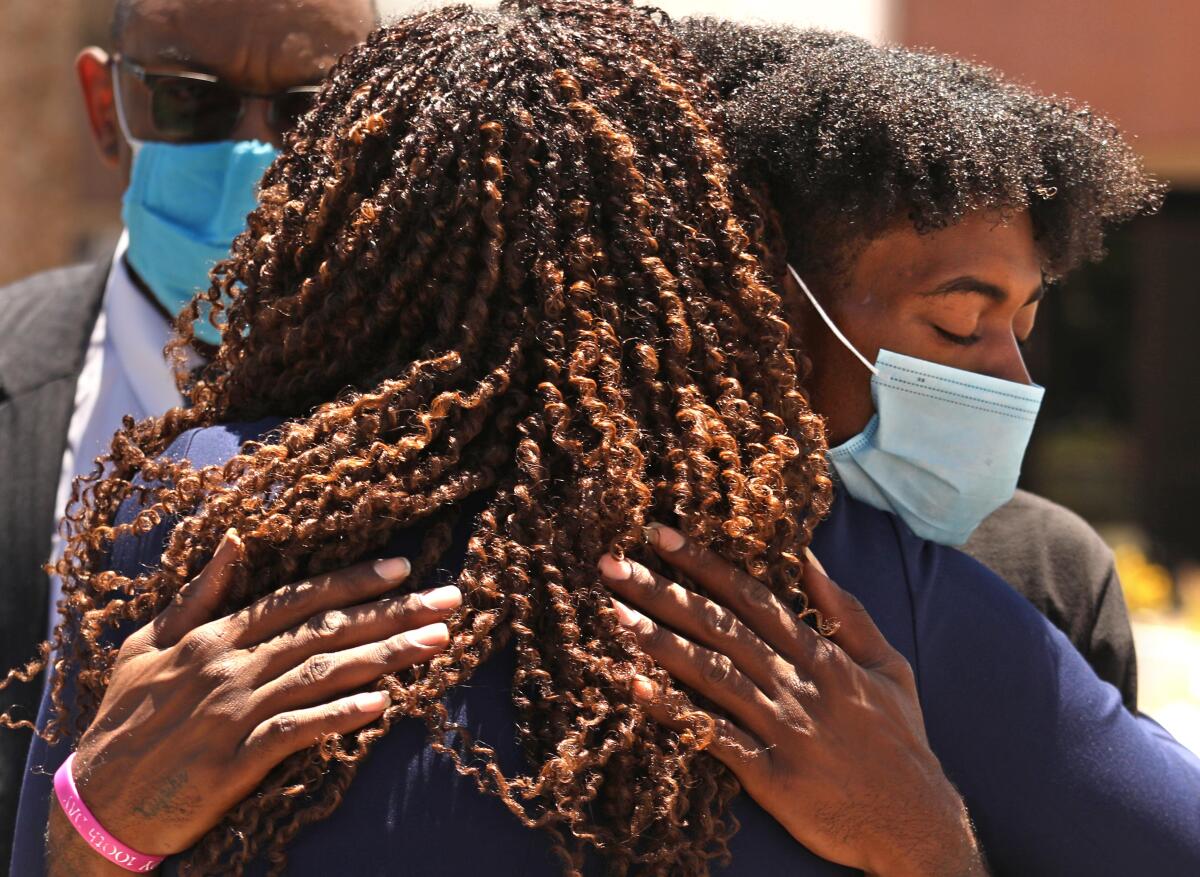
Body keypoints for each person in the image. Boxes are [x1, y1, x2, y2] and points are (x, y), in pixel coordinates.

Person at [9, 2, 1200, 875]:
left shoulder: (166, 544)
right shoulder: (858, 600)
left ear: (336, 241)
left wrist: (88, 833)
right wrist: (935, 849)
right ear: (707, 259)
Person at [673, 20, 1161, 711]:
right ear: (768, 305)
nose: (1015, 379)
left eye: (1025, 321)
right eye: (958, 324)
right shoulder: (643, 557)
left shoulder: (1053, 567)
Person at [0, 0, 378, 863]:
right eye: (188, 100)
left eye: (311, 111)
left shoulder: (481, 432)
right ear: (107, 111)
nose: (255, 154)